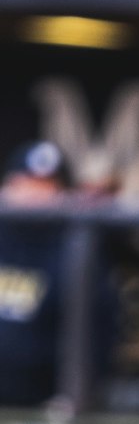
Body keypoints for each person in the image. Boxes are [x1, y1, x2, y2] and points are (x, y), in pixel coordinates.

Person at [0, 141, 72, 408]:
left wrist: (71, 399)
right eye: (26, 184)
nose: (36, 195)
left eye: (47, 186)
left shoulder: (75, 250)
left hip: (41, 406)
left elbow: (99, 331)